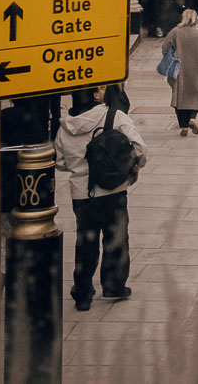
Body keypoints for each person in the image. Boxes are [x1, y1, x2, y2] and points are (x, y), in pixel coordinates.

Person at [55, 85, 147, 312]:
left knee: (85, 242)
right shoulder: (115, 117)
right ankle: (114, 285)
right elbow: (140, 149)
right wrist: (130, 168)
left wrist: (79, 168)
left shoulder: (65, 126)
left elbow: (59, 161)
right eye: (101, 89)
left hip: (81, 193)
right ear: (95, 95)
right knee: (116, 238)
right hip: (113, 190)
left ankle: (83, 293)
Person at [161, 8, 198, 135]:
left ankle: (184, 127)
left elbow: (165, 48)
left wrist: (173, 52)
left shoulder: (175, 31)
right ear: (196, 19)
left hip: (178, 71)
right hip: (196, 71)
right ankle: (192, 119)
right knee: (195, 96)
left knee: (179, 98)